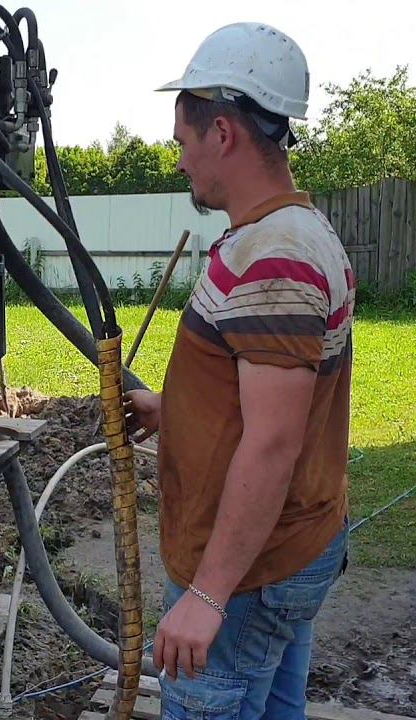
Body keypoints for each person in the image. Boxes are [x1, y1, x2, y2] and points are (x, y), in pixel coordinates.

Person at [124, 22, 354, 719]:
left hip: (250, 573)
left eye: (182, 142)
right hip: (288, 546)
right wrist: (175, 413)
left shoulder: (274, 256)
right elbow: (264, 398)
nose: (180, 162)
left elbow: (274, 441)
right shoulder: (287, 232)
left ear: (221, 132)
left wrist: (207, 595)